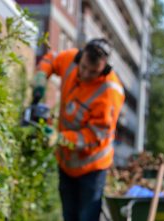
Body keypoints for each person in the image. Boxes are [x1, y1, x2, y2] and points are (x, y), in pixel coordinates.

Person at [32, 38, 125, 221]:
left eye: (93, 71)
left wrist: (59, 138)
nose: (85, 74)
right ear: (80, 57)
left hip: (92, 168)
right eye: (83, 67)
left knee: (86, 217)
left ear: (105, 69)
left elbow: (93, 137)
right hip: (66, 163)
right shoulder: (71, 59)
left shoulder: (110, 92)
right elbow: (51, 59)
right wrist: (41, 76)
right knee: (69, 216)